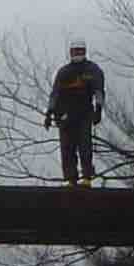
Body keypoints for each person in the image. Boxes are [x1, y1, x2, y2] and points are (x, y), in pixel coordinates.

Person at [43, 43, 107, 188]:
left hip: (84, 113)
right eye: (75, 50)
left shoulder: (92, 70)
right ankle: (69, 178)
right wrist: (49, 113)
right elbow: (55, 94)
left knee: (85, 145)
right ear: (70, 52)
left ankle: (86, 176)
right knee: (67, 147)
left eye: (80, 50)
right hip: (65, 114)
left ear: (85, 51)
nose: (78, 53)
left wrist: (98, 109)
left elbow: (99, 90)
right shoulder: (64, 72)